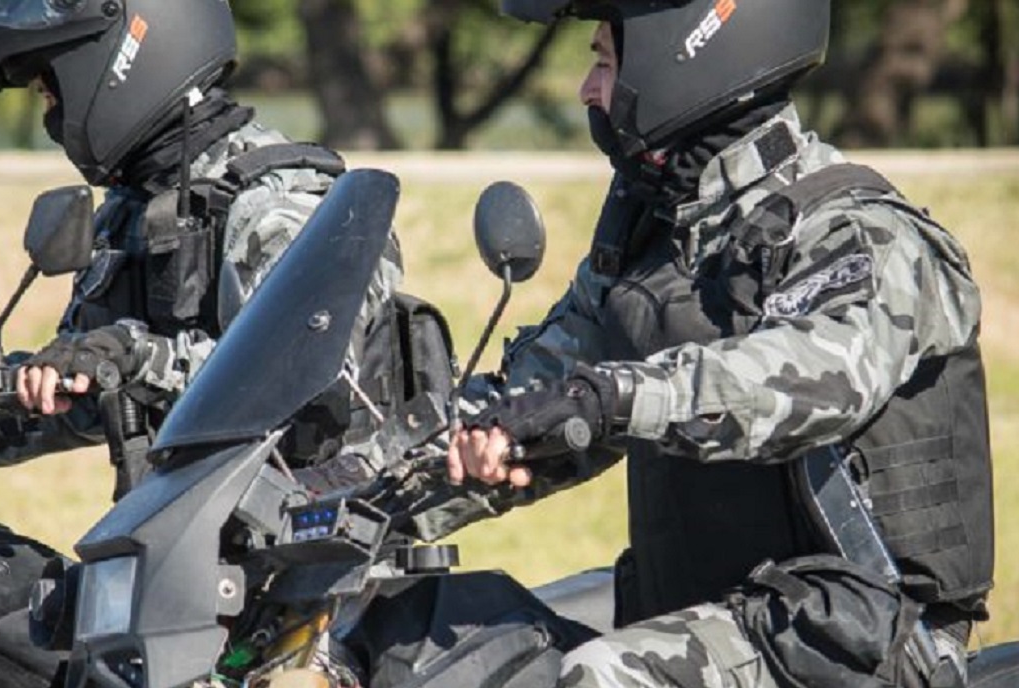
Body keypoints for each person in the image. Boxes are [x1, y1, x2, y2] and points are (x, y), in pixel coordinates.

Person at [415, 1, 993, 687]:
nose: (587, 91)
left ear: (683, 54)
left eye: (602, 60)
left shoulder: (860, 233)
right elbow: (542, 395)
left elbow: (803, 379)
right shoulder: (654, 243)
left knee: (603, 677)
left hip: (854, 640)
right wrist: (379, 473)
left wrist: (611, 397)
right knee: (435, 639)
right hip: (706, 613)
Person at [0, 0, 404, 498]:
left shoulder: (280, 205)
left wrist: (131, 355)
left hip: (311, 546)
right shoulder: (133, 208)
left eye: (50, 81)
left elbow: (295, 382)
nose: (48, 101)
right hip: (174, 544)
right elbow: (88, 403)